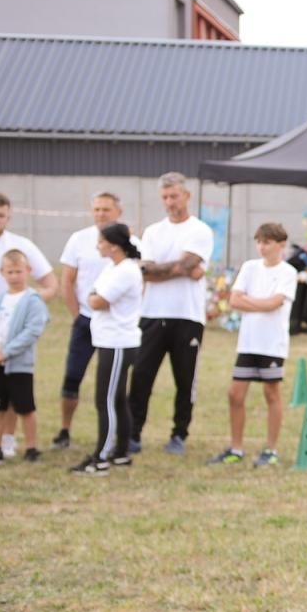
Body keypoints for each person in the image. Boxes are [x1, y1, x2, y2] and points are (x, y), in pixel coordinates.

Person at [128, 173, 214, 458]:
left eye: (174, 196)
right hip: (152, 314)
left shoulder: (199, 230)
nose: (169, 202)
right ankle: (133, 433)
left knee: (184, 379)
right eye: (165, 197)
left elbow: (184, 264)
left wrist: (164, 269)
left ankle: (179, 434)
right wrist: (178, 270)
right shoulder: (153, 232)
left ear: (186, 196)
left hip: (187, 316)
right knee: (141, 376)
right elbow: (147, 272)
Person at [207, 223, 299, 468]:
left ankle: (271, 449)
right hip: (248, 342)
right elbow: (235, 300)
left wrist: (252, 302)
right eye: (259, 241)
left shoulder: (287, 272)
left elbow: (276, 303)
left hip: (272, 344)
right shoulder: (249, 267)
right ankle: (236, 448)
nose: (262, 247)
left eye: (267, 242)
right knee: (235, 394)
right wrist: (261, 303)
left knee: (271, 393)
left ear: (281, 245)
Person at [54, 192, 124, 450]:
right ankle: (64, 431)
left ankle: (115, 435)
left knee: (111, 384)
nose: (100, 214)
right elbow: (68, 279)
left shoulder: (130, 243)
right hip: (85, 319)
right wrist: (77, 315)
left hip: (114, 325)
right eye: (96, 209)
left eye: (106, 209)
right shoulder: (79, 240)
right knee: (73, 376)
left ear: (118, 212)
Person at [71, 223, 142, 476]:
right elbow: (93, 295)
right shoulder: (113, 268)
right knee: (118, 399)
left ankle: (100, 457)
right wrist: (93, 296)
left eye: (101, 242)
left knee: (106, 400)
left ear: (113, 245)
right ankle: (120, 452)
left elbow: (98, 301)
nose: (97, 246)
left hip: (118, 342)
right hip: (109, 340)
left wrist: (93, 297)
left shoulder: (125, 271)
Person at [0, 192, 58, 457]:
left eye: (1, 215)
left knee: (18, 400)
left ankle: (13, 441)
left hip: (14, 344)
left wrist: (28, 303)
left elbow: (50, 284)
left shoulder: (21, 246)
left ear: (9, 216)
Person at [0, 249, 49, 463]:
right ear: (2, 272)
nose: (14, 276)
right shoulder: (2, 298)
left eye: (18, 271)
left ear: (27, 271)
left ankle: (31, 447)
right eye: (9, 272)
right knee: (0, 406)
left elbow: (32, 331)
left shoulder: (33, 300)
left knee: (25, 406)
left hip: (19, 364)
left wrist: (7, 352)